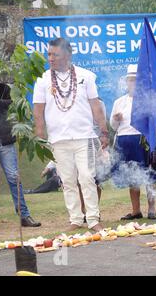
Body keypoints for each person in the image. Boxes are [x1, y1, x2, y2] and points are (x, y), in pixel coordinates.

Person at [33, 38, 108, 232]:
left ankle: (93, 219)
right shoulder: (42, 80)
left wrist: (104, 132)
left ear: (67, 55)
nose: (50, 58)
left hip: (84, 136)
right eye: (48, 54)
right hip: (58, 139)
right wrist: (40, 138)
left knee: (87, 177)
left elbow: (96, 106)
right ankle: (75, 219)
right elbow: (38, 112)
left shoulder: (86, 76)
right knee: (67, 181)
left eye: (54, 54)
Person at [0, 75, 41, 228]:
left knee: (14, 177)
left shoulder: (1, 87)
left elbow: (11, 104)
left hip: (3, 140)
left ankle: (24, 216)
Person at [110, 64, 156, 220]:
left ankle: (152, 208)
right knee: (132, 177)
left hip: (142, 140)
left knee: (148, 174)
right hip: (124, 141)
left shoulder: (147, 100)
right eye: (130, 80)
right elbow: (113, 126)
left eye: (136, 80)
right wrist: (115, 119)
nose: (133, 83)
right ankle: (136, 210)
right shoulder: (119, 102)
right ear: (126, 82)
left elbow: (154, 122)